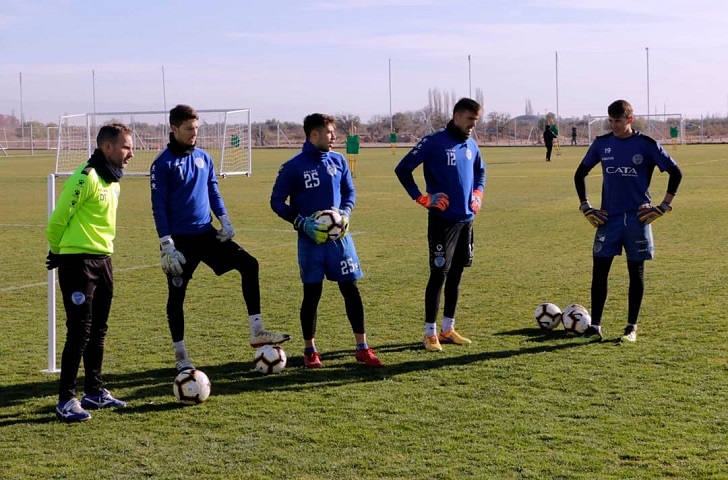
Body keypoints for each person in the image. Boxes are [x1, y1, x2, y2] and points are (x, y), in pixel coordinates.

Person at [150, 104, 290, 372]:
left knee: (249, 264)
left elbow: (212, 189)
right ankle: (181, 356)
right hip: (179, 242)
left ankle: (256, 330)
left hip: (206, 233)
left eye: (196, 128)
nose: (194, 133)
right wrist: (166, 243)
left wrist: (224, 218)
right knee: (176, 298)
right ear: (174, 129)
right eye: (189, 129)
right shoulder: (163, 163)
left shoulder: (204, 157)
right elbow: (158, 206)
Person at [270, 113, 382, 368]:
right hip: (310, 242)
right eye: (329, 133)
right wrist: (302, 223)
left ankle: (362, 347)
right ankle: (310, 350)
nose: (334, 137)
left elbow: (349, 191)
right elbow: (276, 202)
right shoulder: (293, 167)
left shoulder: (338, 160)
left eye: (334, 132)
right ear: (314, 135)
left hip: (340, 241)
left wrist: (345, 213)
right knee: (312, 294)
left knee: (351, 290)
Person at [574, 99, 683, 344]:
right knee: (599, 273)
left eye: (618, 121)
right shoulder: (602, 144)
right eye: (610, 121)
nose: (613, 125)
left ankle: (631, 327)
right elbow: (579, 174)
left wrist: (664, 206)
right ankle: (595, 326)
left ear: (629, 120)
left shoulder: (646, 145)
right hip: (608, 219)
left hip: (638, 219)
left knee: (636, 272)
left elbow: (676, 173)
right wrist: (586, 207)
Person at [46, 123, 133, 422]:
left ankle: (94, 392)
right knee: (79, 332)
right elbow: (58, 220)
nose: (130, 153)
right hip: (78, 263)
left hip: (103, 260)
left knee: (98, 330)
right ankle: (65, 399)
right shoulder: (87, 177)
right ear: (107, 147)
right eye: (125, 147)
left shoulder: (113, 181)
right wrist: (57, 252)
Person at [394, 97, 486, 352]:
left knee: (456, 275)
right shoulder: (433, 142)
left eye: (476, 121)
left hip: (466, 220)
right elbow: (402, 169)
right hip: (442, 222)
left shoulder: (472, 145)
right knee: (439, 275)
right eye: (470, 120)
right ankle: (429, 333)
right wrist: (422, 197)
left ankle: (448, 329)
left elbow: (481, 172)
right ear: (456, 116)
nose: (472, 126)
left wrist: (478, 194)